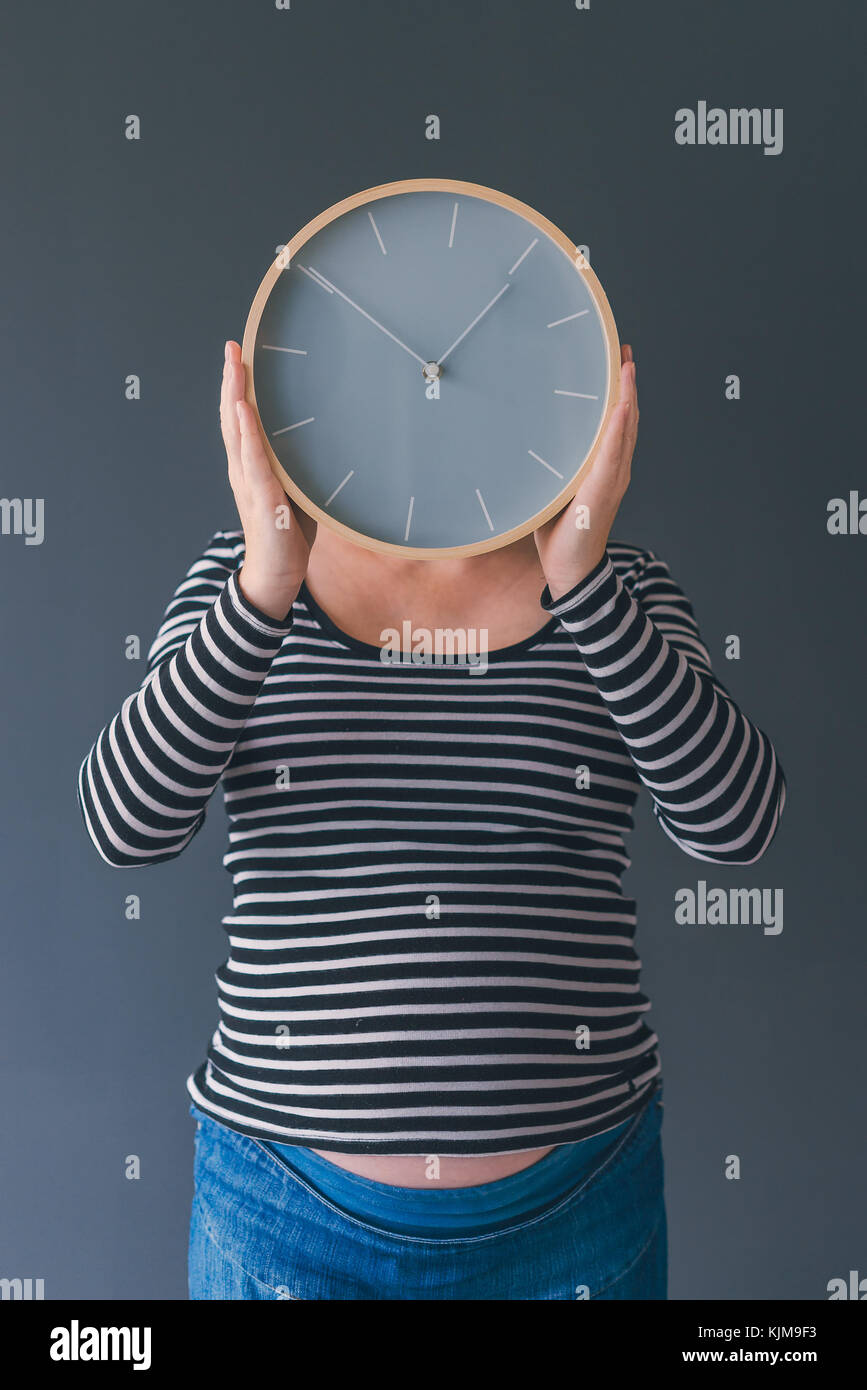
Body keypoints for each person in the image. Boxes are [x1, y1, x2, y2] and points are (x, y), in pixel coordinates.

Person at [77, 339, 786, 1300]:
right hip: (286, 1220)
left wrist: (581, 581)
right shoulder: (238, 579)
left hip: (575, 1214)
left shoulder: (624, 587)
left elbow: (734, 828)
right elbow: (127, 825)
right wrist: (265, 585)